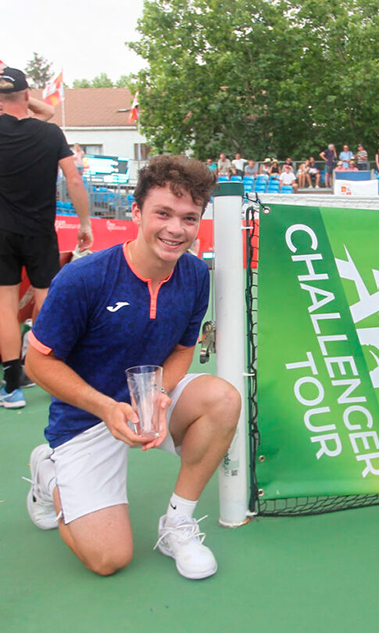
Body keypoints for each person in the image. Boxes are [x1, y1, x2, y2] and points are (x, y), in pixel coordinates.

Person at [24, 154, 241, 580]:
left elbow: (182, 348)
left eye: (189, 218)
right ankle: (48, 471)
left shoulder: (196, 275)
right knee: (108, 559)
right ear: (137, 212)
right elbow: (36, 363)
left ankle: (177, 524)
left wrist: (160, 394)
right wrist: (107, 407)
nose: (176, 229)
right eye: (163, 213)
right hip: (85, 418)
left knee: (222, 399)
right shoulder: (84, 278)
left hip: (146, 402)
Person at [0, 67, 93, 408]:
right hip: (40, 230)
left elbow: (42, 111)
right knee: (46, 301)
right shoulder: (50, 134)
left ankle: (11, 387)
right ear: (27, 95)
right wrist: (85, 223)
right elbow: (74, 180)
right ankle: (46, 372)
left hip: (1, 230)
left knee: (4, 306)